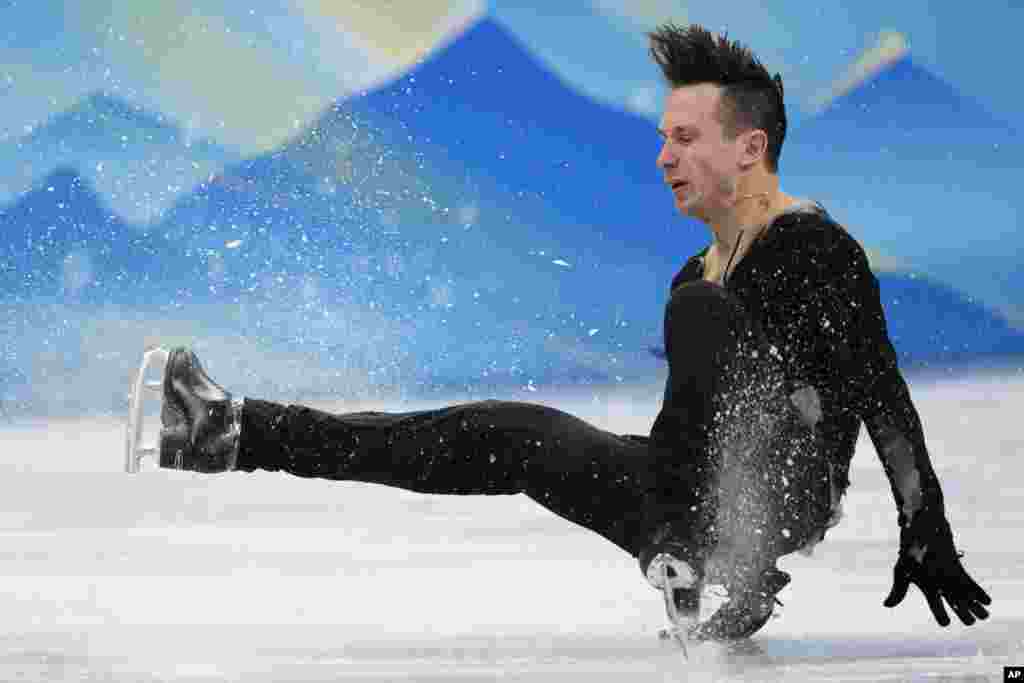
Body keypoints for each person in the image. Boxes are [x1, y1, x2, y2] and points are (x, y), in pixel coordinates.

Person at [152, 23, 991, 641]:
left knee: (696, 309)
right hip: (687, 499)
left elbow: (879, 387)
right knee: (506, 433)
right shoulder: (692, 276)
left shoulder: (814, 246)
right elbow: (688, 427)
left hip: (772, 496)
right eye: (663, 137)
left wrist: (926, 525)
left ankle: (704, 556)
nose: (663, 155)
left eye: (686, 137)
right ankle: (230, 432)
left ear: (751, 148)